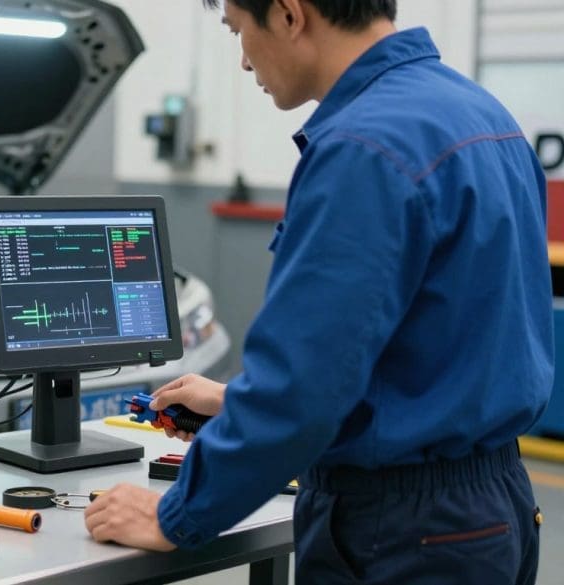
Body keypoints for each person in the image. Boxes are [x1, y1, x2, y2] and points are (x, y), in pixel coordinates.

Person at [83, 1, 552, 583]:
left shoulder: (364, 148)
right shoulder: (481, 114)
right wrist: (238, 405)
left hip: (402, 532)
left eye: (239, 30)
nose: (244, 58)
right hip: (491, 508)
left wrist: (177, 515)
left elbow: (303, 385)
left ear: (287, 14)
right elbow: (430, 348)